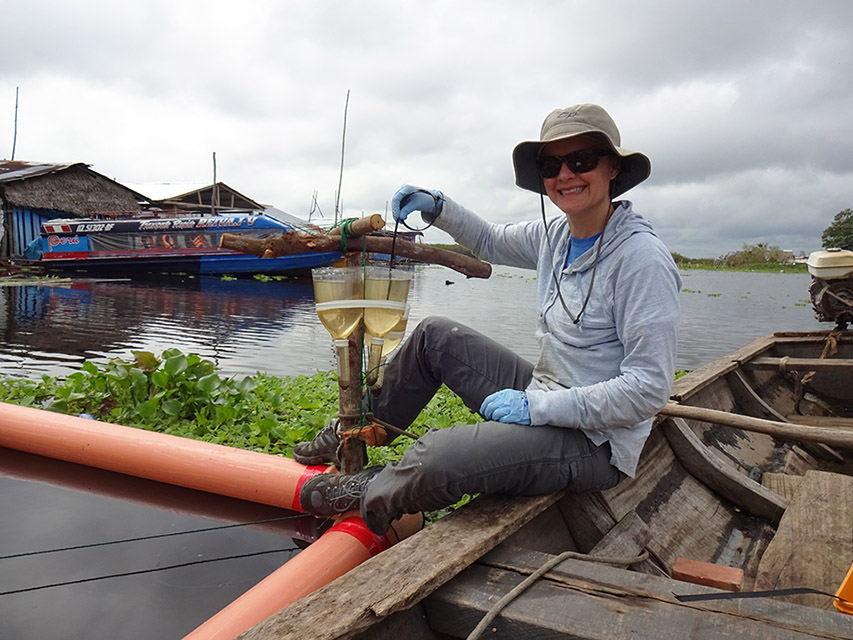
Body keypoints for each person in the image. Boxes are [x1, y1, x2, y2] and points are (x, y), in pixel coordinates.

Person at [295, 103, 681, 536]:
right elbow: (490, 240)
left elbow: (648, 388)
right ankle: (356, 432)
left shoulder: (641, 260)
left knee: (441, 454)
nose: (565, 175)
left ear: (612, 168)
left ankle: (369, 492)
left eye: (582, 160)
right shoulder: (554, 235)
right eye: (552, 165)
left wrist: (537, 407)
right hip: (545, 395)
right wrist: (439, 207)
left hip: (595, 442)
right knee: (435, 336)